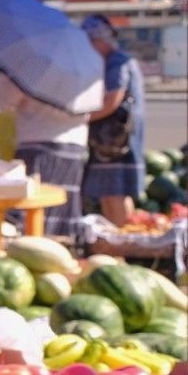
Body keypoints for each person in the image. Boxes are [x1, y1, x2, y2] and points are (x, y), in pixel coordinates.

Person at [0, 70, 87, 233]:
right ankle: (64, 248)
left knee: (33, 204)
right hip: (74, 145)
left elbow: (5, 101)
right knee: (63, 207)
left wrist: (1, 82)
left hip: (37, 142)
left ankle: (33, 247)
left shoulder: (29, 67)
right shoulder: (84, 68)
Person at [80, 16, 146, 226]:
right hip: (116, 140)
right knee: (111, 195)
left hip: (114, 140)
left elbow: (112, 100)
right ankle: (121, 244)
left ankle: (121, 248)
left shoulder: (116, 61)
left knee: (114, 194)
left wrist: (81, 119)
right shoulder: (116, 59)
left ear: (100, 40)